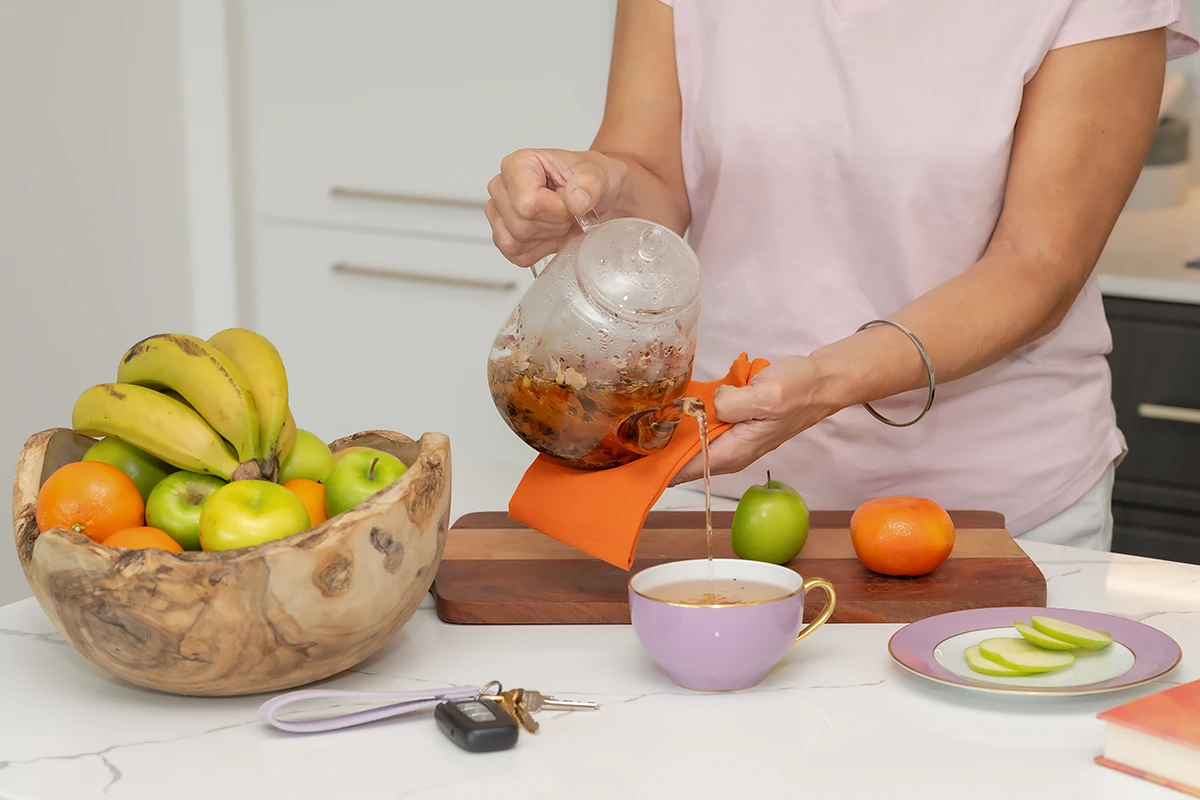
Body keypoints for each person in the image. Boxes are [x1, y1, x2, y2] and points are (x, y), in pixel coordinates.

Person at [485, 0, 1199, 551]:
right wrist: (589, 188)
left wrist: (824, 382)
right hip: (717, 479)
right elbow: (653, 176)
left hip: (997, 512)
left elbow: (1038, 265)